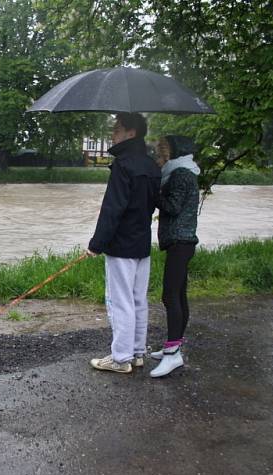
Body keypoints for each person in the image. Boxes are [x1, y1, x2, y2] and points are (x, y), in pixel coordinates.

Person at [87, 113, 161, 374]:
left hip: (121, 246)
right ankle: (137, 353)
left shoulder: (123, 164)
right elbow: (154, 205)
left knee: (120, 302)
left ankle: (120, 358)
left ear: (132, 133)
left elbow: (112, 209)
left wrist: (96, 243)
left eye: (117, 129)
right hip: (142, 243)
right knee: (138, 299)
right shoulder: (152, 166)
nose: (112, 134)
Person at [149, 135, 200, 378]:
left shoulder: (179, 174)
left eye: (162, 153)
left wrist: (152, 193)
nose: (160, 158)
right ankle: (174, 345)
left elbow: (172, 206)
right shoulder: (185, 171)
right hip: (183, 242)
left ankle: (173, 354)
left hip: (180, 241)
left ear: (172, 153)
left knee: (170, 296)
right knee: (179, 294)